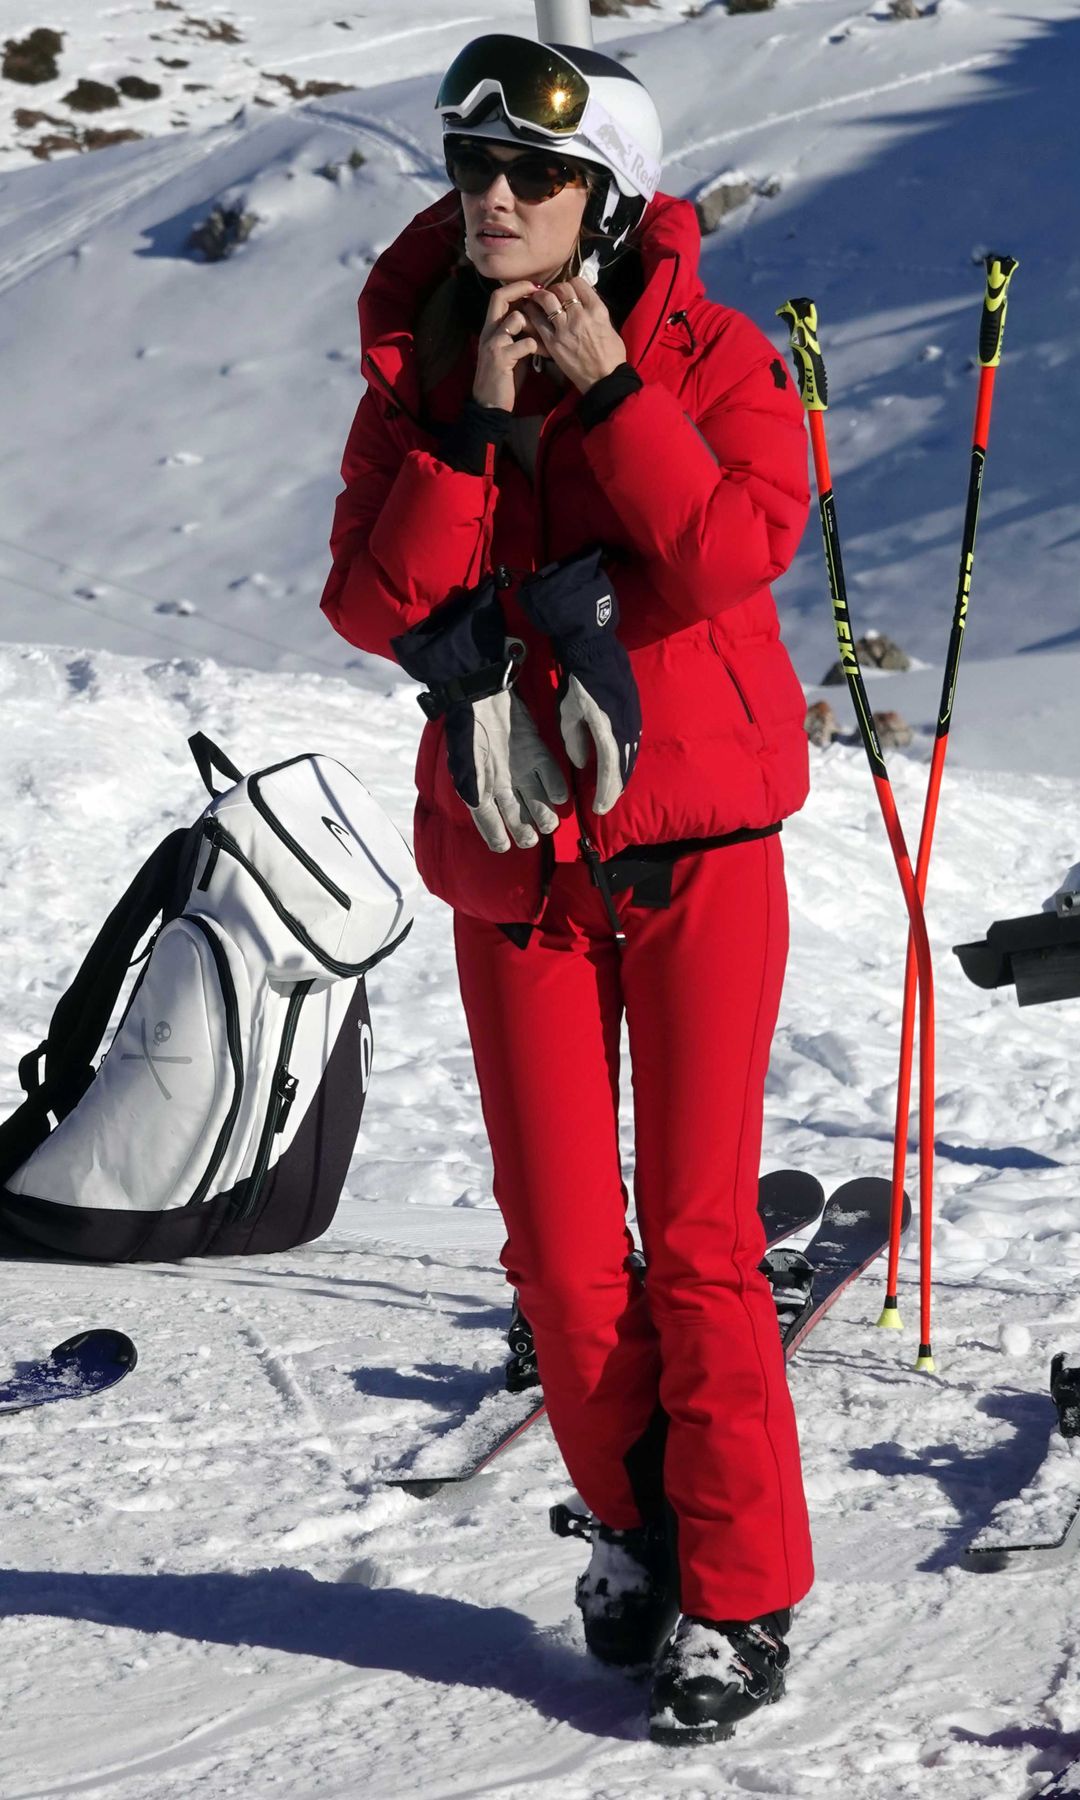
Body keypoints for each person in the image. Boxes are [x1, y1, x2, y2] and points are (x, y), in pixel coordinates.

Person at [320, 33, 815, 1746]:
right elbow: (372, 601)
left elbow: (735, 551)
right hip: (515, 859)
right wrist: (472, 431)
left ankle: (739, 1596)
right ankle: (640, 1528)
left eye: (533, 172)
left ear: (607, 197)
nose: (494, 196)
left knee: (699, 1242)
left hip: (695, 855)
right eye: (473, 166)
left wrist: (613, 397)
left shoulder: (710, 354)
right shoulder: (420, 369)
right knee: (558, 1253)